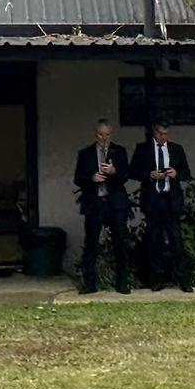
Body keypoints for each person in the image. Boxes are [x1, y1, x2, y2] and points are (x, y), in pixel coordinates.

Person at [130, 121, 192, 291]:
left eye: (165, 134)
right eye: (160, 134)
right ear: (154, 133)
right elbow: (132, 171)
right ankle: (156, 279)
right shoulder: (143, 149)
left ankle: (183, 279)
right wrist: (149, 175)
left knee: (176, 240)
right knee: (154, 240)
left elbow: (187, 173)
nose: (163, 137)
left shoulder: (176, 149)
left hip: (171, 199)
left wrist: (176, 173)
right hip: (153, 199)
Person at [73, 118, 133, 294]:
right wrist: (92, 179)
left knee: (120, 243)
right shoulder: (85, 153)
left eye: (107, 135)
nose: (104, 138)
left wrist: (113, 172)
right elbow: (77, 179)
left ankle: (122, 282)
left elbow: (125, 176)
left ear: (111, 134)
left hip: (115, 203)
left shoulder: (119, 151)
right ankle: (89, 283)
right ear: (96, 134)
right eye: (100, 134)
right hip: (95, 203)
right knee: (91, 244)